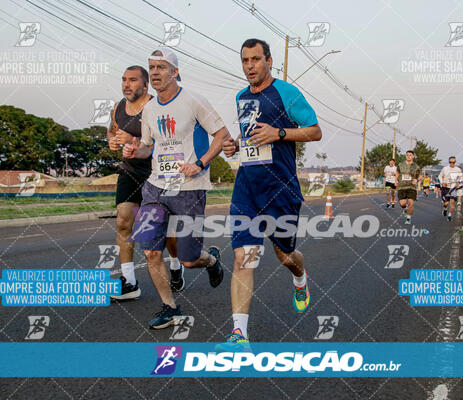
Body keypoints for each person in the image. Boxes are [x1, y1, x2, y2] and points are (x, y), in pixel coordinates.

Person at [218, 38, 322, 351]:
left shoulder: (286, 92)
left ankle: (300, 277)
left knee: (285, 256)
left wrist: (278, 133)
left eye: (255, 59)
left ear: (269, 61)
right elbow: (251, 134)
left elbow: (314, 130)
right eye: (245, 60)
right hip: (247, 187)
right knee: (242, 258)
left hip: (281, 189)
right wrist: (236, 145)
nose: (250, 66)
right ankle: (240, 336)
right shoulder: (241, 97)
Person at [123, 48, 230, 329]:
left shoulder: (194, 100)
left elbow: (221, 135)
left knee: (188, 257)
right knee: (150, 251)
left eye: (161, 67)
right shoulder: (149, 109)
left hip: (190, 188)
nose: (155, 73)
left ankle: (211, 260)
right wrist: (136, 151)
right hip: (155, 188)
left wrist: (201, 163)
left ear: (175, 72)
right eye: (152, 68)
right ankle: (170, 308)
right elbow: (148, 147)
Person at [107, 66, 184, 300]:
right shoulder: (118, 108)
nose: (126, 85)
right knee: (123, 221)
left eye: (132, 80)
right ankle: (130, 282)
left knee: (166, 231)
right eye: (123, 80)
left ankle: (175, 264)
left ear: (145, 85)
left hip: (158, 172)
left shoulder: (157, 107)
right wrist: (112, 141)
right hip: (130, 171)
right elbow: (111, 131)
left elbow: (168, 142)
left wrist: (134, 140)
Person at [396, 150, 421, 225]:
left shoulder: (416, 166)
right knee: (402, 203)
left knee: (410, 203)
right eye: (407, 155)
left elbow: (420, 176)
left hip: (411, 187)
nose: (408, 156)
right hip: (401, 187)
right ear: (405, 156)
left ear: (413, 156)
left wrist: (417, 180)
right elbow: (397, 173)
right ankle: (404, 209)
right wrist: (396, 180)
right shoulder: (400, 164)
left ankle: (408, 218)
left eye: (410, 155)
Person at [439, 156, 463, 222]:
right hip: (445, 188)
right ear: (449, 162)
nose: (452, 163)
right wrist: (442, 182)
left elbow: (460, 178)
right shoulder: (445, 169)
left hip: (453, 188)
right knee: (446, 203)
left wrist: (458, 183)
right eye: (450, 162)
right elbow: (440, 176)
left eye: (453, 162)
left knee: (452, 204)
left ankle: (449, 216)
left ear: (455, 162)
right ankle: (445, 209)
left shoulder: (458, 169)